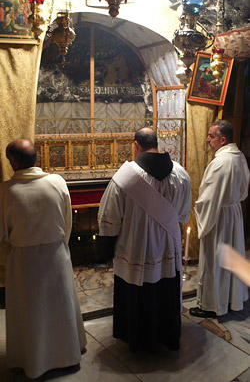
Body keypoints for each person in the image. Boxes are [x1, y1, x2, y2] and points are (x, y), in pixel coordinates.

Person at [98, 127, 191, 352]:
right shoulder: (181, 174)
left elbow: (109, 219)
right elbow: (182, 214)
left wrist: (105, 252)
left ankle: (138, 340)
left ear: (136, 145)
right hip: (167, 251)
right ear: (157, 144)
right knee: (164, 292)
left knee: (138, 296)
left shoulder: (124, 178)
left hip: (134, 251)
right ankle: (166, 337)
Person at [0, 139, 86, 379]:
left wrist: (11, 256)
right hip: (55, 254)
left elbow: (2, 234)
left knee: (29, 312)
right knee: (60, 306)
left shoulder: (5, 191)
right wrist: (58, 246)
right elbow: (68, 222)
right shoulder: (57, 182)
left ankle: (31, 361)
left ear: (14, 163)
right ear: (37, 159)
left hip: (23, 262)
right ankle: (68, 355)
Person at [190, 120, 250, 318]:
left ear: (223, 140)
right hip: (233, 212)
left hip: (219, 216)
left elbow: (208, 198)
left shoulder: (220, 162)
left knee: (215, 260)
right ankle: (233, 300)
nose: (207, 139)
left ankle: (212, 305)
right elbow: (243, 189)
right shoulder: (239, 156)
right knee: (232, 257)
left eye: (211, 136)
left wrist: (198, 210)